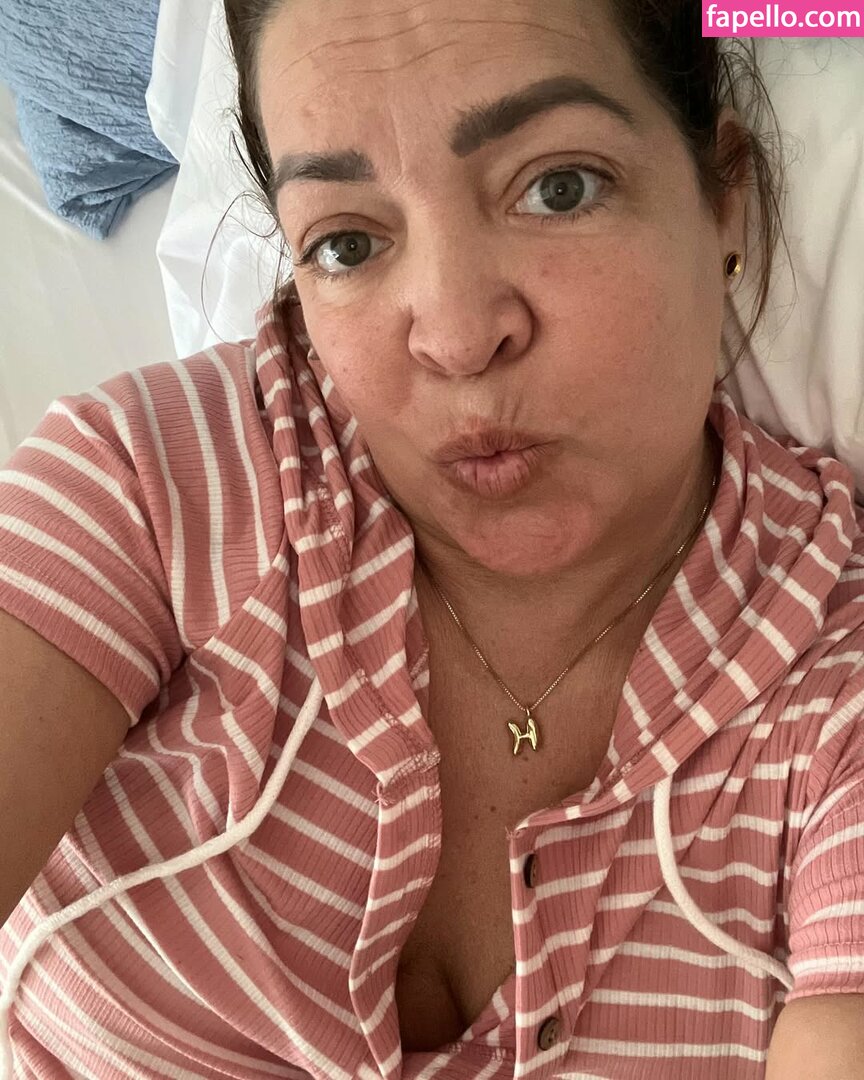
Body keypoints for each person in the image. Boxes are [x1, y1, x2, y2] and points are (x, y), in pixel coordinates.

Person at [0, 0, 863, 1076]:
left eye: (559, 187)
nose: (456, 336)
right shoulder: (148, 485)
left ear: (725, 195)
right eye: (347, 243)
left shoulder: (835, 680)